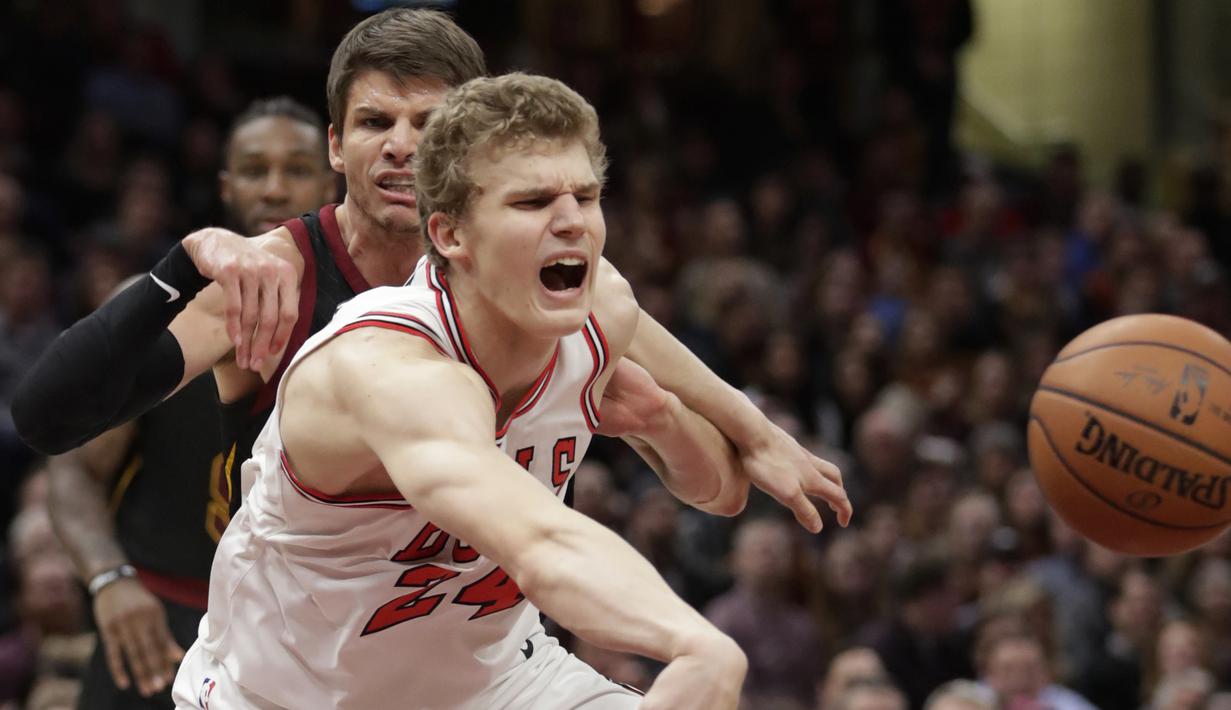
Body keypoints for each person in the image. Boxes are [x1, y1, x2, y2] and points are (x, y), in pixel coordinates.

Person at [12, 7, 850, 542]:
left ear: (470, 148)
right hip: (305, 637)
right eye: (374, 122)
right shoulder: (274, 280)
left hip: (473, 634)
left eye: (429, 122)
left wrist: (758, 435)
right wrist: (178, 266)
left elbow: (663, 375)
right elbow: (48, 417)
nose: (401, 146)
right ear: (335, 146)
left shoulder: (533, 270)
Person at [174, 72, 751, 709]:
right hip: (287, 698)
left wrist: (663, 419)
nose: (572, 223)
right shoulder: (384, 366)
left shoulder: (599, 315)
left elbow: (724, 493)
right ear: (451, 235)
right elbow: (540, 545)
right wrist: (694, 640)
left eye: (585, 197)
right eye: (532, 202)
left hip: (503, 684)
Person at [46, 96, 337, 709]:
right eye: (255, 169)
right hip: (158, 622)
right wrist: (108, 578)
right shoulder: (158, 307)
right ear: (226, 186)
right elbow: (72, 467)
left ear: (331, 179)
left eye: (296, 168)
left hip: (302, 637)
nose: (274, 187)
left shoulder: (372, 313)